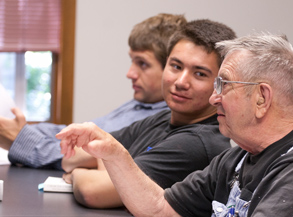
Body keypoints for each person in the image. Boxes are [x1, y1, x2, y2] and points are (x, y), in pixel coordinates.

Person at [57, 33, 293, 216]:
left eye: (224, 85)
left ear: (262, 98)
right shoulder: (234, 160)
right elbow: (160, 207)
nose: (214, 98)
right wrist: (113, 153)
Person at [58, 19, 236, 208]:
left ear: (220, 84)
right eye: (176, 66)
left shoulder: (197, 144)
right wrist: (106, 163)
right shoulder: (163, 118)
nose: (181, 82)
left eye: (200, 74)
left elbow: (93, 192)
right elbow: (72, 155)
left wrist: (76, 173)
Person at [0, 13, 187, 170]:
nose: (130, 73)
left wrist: (20, 138)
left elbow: (87, 156)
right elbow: (70, 136)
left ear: (172, 69)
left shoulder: (161, 122)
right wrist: (23, 131)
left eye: (143, 64)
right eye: (132, 61)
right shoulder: (140, 103)